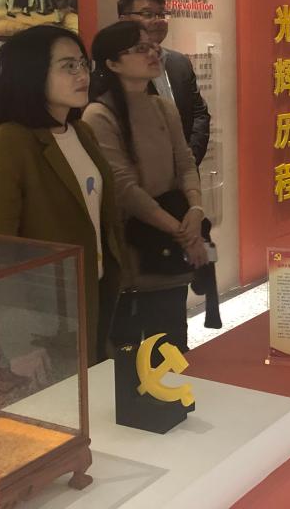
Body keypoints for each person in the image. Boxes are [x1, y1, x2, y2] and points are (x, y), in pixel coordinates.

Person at [0, 25, 125, 364]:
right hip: (46, 315)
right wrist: (17, 341)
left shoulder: (81, 132)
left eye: (83, 64)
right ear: (32, 74)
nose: (82, 75)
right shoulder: (10, 142)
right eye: (67, 66)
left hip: (96, 292)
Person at [83, 21, 208, 352]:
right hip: (134, 250)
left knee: (171, 346)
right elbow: (125, 190)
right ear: (112, 63)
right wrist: (182, 231)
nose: (153, 53)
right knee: (131, 352)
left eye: (153, 47)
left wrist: (195, 211)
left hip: (171, 249)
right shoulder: (98, 115)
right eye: (140, 49)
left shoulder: (162, 106)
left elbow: (186, 164)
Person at [118, 0, 210, 164]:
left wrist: (188, 160)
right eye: (148, 14)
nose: (158, 21)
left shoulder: (180, 62)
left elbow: (199, 114)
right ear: (124, 20)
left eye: (162, 14)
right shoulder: (117, 67)